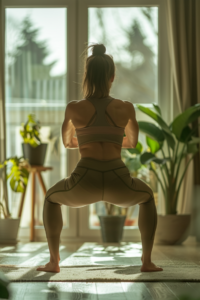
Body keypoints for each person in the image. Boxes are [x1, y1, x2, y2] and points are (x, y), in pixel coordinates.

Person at [36, 43, 163, 273]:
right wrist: (111, 137)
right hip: (119, 179)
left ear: (87, 75)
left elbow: (67, 142)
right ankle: (147, 262)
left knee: (51, 198)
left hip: (85, 179)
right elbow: (132, 143)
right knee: (146, 197)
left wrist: (86, 139)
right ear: (112, 77)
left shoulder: (74, 108)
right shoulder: (126, 108)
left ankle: (54, 262)